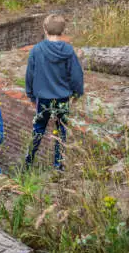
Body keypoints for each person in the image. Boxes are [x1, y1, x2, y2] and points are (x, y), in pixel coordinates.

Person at [24, 14, 84, 171]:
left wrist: (30, 95)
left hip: (43, 99)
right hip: (62, 98)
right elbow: (76, 75)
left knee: (38, 129)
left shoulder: (37, 50)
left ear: (44, 29)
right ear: (63, 31)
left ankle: (28, 162)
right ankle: (59, 166)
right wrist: (77, 93)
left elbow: (30, 74)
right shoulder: (68, 51)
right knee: (61, 130)